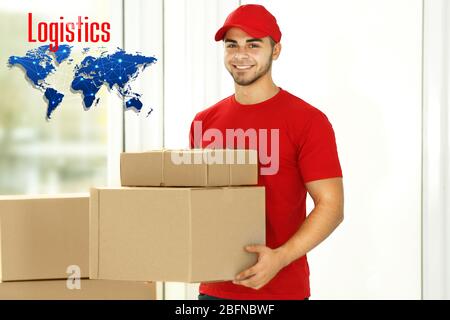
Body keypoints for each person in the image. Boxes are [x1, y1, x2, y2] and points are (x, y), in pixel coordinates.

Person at [189, 4, 344, 300]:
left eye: (253, 44)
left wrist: (280, 258)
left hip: (281, 291)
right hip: (214, 290)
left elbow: (331, 206)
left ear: (276, 51)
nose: (240, 54)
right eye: (231, 45)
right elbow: (197, 202)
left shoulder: (308, 121)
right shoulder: (204, 121)